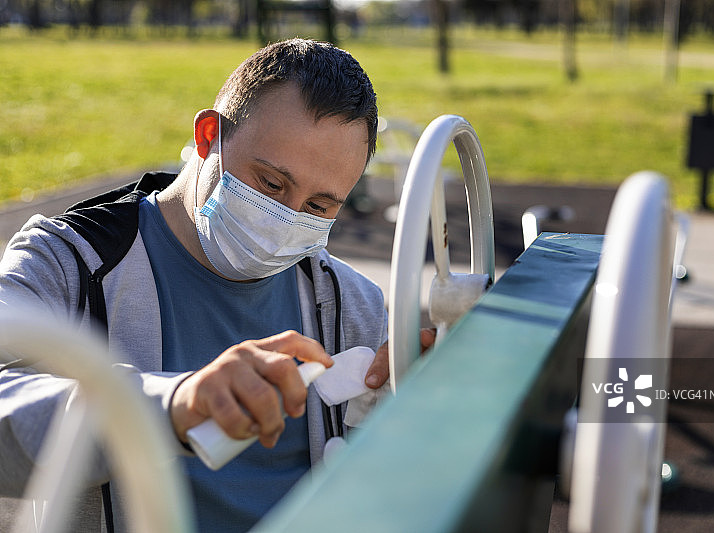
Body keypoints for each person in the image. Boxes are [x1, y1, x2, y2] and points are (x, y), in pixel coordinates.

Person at [0, 38, 430, 532]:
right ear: (209, 136)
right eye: (270, 183)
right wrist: (173, 405)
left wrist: (426, 412)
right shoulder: (67, 262)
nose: (286, 217)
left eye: (319, 207)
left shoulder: (350, 303)